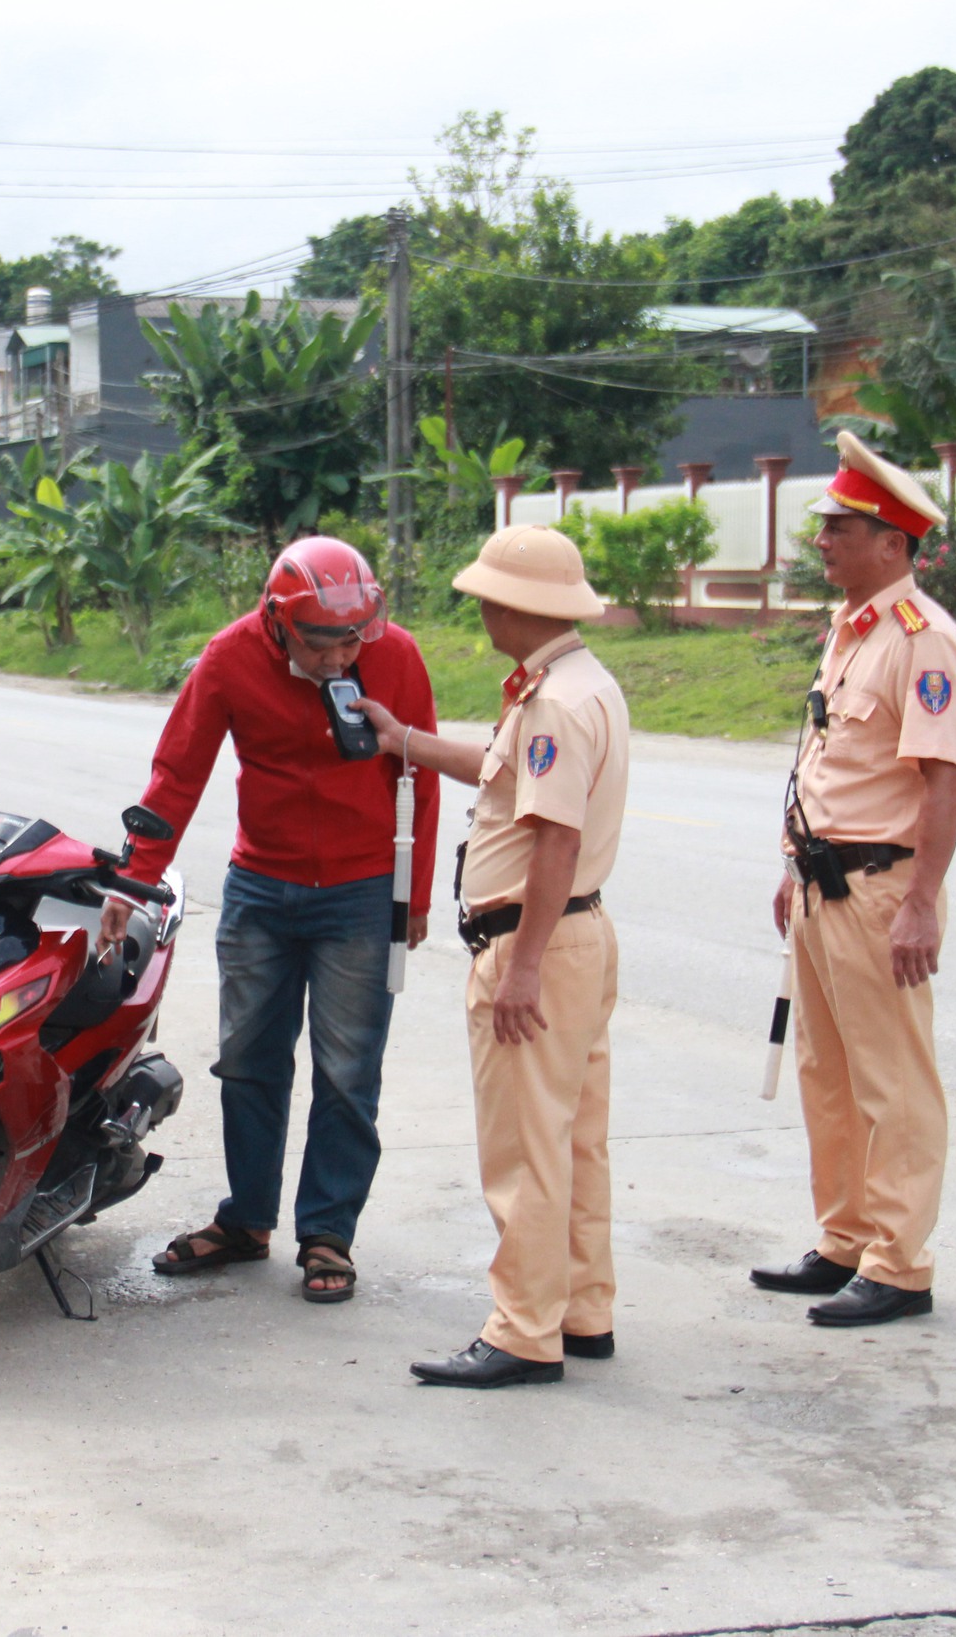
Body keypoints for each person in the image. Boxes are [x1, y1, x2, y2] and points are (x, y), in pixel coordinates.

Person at [117, 538, 440, 1304]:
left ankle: (328, 1231)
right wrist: (131, 882)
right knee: (250, 1062)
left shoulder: (393, 656)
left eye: (355, 637)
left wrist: (413, 896)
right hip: (262, 885)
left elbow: (419, 780)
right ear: (277, 621)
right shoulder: (230, 658)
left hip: (360, 893)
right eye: (325, 642)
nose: (343, 657)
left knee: (348, 1071)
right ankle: (248, 1219)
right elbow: (177, 772)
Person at [353, 527, 629, 1389]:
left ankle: (522, 1330)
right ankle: (579, 1310)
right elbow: (503, 775)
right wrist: (405, 740)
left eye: (486, 596)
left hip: (533, 939)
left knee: (526, 1149)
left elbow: (553, 838)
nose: (478, 609)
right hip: (576, 937)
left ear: (521, 606)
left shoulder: (554, 702)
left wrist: (523, 967)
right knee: (574, 1140)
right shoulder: (575, 685)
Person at [751, 430, 956, 1329]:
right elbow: (827, 759)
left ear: (892, 541)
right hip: (820, 884)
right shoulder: (853, 630)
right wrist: (787, 863)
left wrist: (921, 901)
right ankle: (845, 1238)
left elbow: (943, 778)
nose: (824, 540)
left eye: (841, 526)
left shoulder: (924, 642)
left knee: (893, 1080)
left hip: (882, 890)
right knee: (829, 1072)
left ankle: (899, 1262)